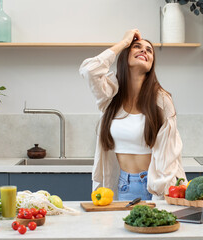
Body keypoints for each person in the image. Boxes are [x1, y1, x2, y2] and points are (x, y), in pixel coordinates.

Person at [79, 29, 186, 200]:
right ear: (125, 56)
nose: (144, 50)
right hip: (123, 186)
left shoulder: (162, 100)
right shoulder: (110, 96)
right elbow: (89, 70)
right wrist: (123, 43)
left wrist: (162, 192)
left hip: (155, 187)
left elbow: (169, 154)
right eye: (137, 47)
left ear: (152, 64)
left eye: (149, 50)